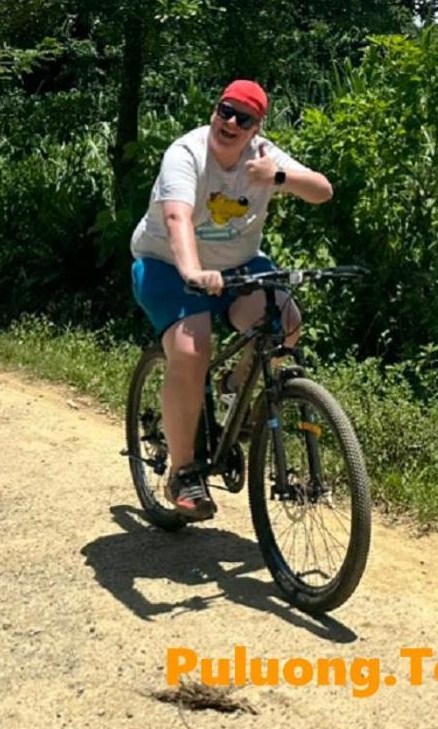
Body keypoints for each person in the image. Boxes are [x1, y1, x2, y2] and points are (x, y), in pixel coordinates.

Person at [130, 79, 333, 520]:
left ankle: (235, 389)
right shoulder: (186, 154)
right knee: (191, 348)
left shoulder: (264, 157)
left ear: (256, 127)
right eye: (226, 110)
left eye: (244, 118)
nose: (231, 122)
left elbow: (322, 189)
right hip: (166, 262)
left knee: (287, 322)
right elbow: (176, 216)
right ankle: (183, 471)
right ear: (215, 109)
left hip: (238, 265)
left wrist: (277, 177)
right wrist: (190, 270)